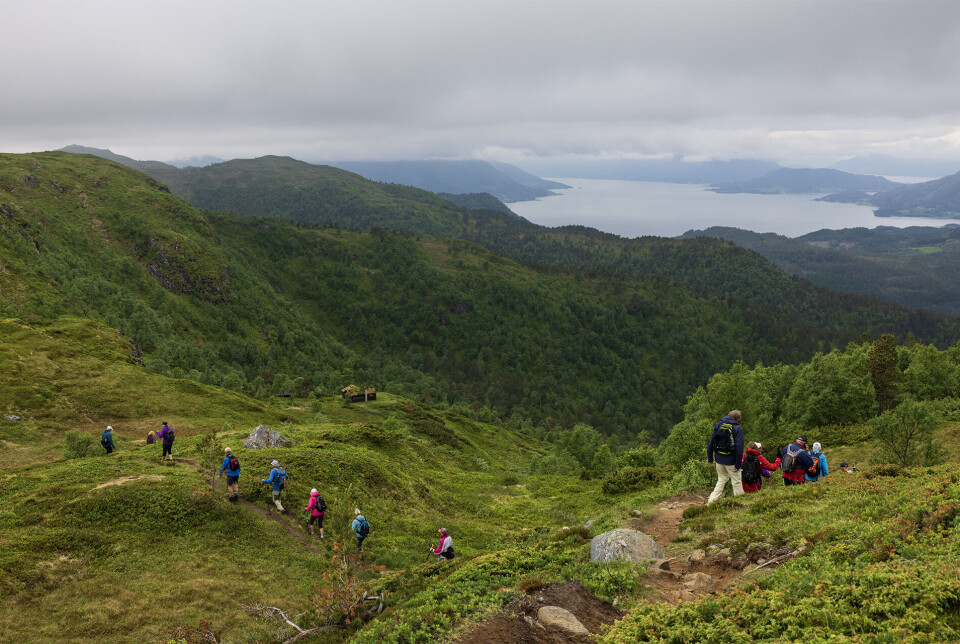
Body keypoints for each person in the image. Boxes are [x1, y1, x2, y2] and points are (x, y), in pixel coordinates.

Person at [706, 410, 745, 503]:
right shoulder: (737, 428)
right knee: (736, 482)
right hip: (731, 461)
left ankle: (711, 501)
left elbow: (711, 442)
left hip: (719, 459)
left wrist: (710, 458)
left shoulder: (718, 425)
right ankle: (740, 503)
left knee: (721, 479)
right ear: (737, 418)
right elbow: (739, 448)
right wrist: (738, 464)